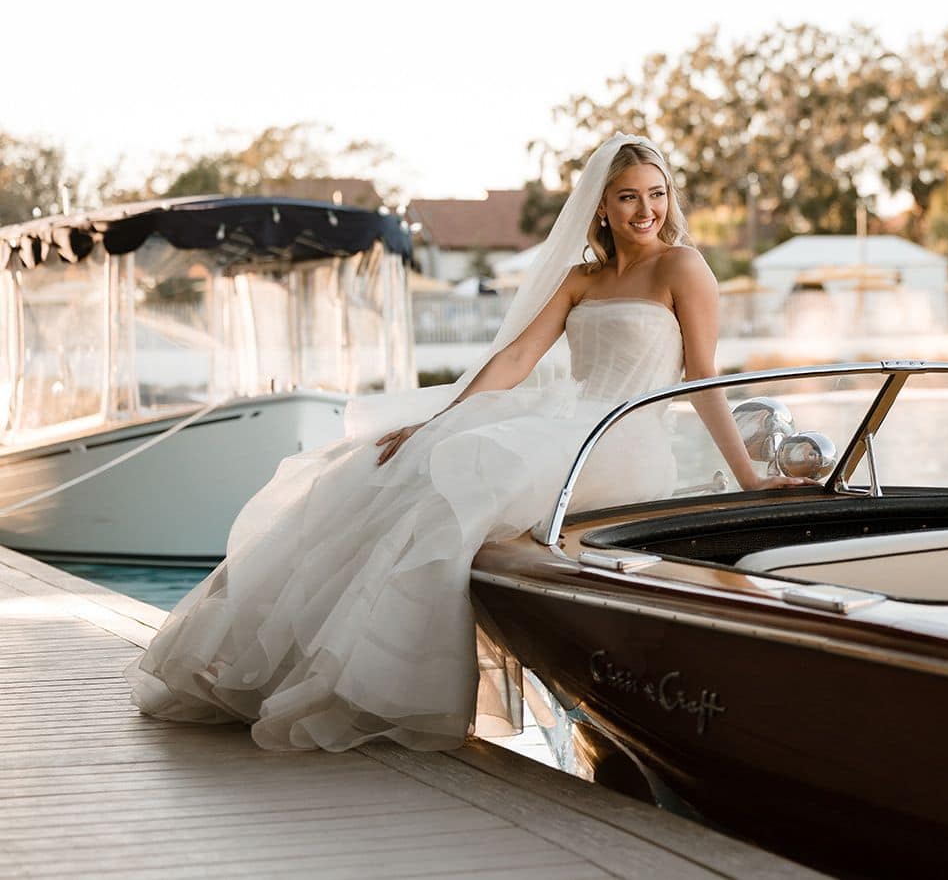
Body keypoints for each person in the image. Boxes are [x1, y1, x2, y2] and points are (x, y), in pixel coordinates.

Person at [127, 134, 807, 752]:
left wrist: (746, 477)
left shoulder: (681, 268)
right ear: (601, 205)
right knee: (407, 460)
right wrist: (437, 419)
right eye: (629, 196)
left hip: (623, 442)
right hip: (566, 422)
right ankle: (287, 661)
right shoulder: (582, 279)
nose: (646, 210)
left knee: (469, 476)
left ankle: (376, 681)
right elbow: (513, 363)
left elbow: (705, 379)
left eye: (656, 195)